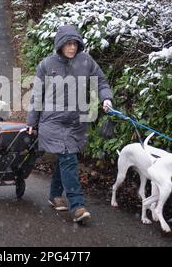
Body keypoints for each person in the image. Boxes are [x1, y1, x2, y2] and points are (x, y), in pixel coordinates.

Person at [26, 25, 113, 223]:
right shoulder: (47, 65)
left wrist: (106, 98)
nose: (72, 47)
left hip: (76, 121)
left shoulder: (86, 61)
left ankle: (54, 194)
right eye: (68, 44)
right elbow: (37, 94)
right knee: (68, 157)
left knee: (67, 156)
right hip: (52, 120)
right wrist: (32, 121)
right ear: (60, 44)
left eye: (75, 43)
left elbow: (101, 81)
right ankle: (77, 206)